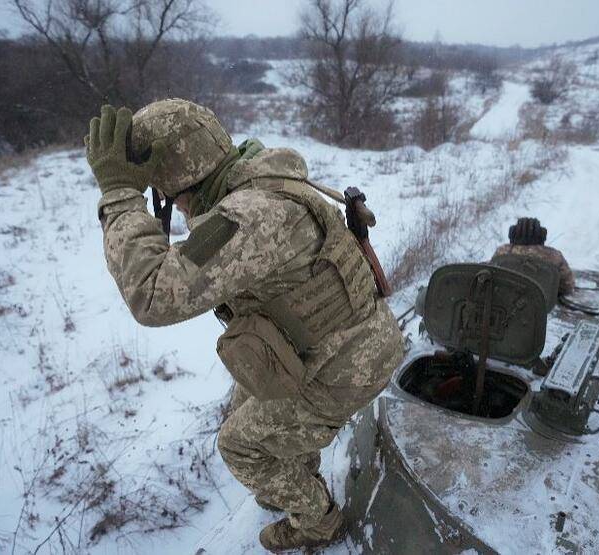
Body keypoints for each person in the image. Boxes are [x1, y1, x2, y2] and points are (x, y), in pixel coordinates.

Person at [84, 99, 404, 552]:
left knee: (239, 446)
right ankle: (293, 473)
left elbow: (152, 296)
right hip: (344, 340)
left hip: (348, 365)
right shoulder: (260, 176)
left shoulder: (250, 216)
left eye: (165, 193)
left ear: (180, 183)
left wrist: (120, 195)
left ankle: (319, 522)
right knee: (246, 401)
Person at [492, 217, 576, 297]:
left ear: (512, 234)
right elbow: (567, 286)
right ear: (542, 235)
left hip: (504, 303)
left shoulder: (502, 252)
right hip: (542, 305)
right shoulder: (554, 256)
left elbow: (489, 273)